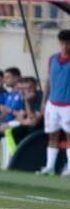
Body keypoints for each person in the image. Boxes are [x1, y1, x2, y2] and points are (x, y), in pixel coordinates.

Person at [38, 30, 70, 176]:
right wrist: (44, 101)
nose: (64, 46)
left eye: (67, 43)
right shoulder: (52, 58)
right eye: (62, 43)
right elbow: (48, 81)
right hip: (53, 103)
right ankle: (49, 166)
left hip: (68, 105)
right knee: (53, 135)